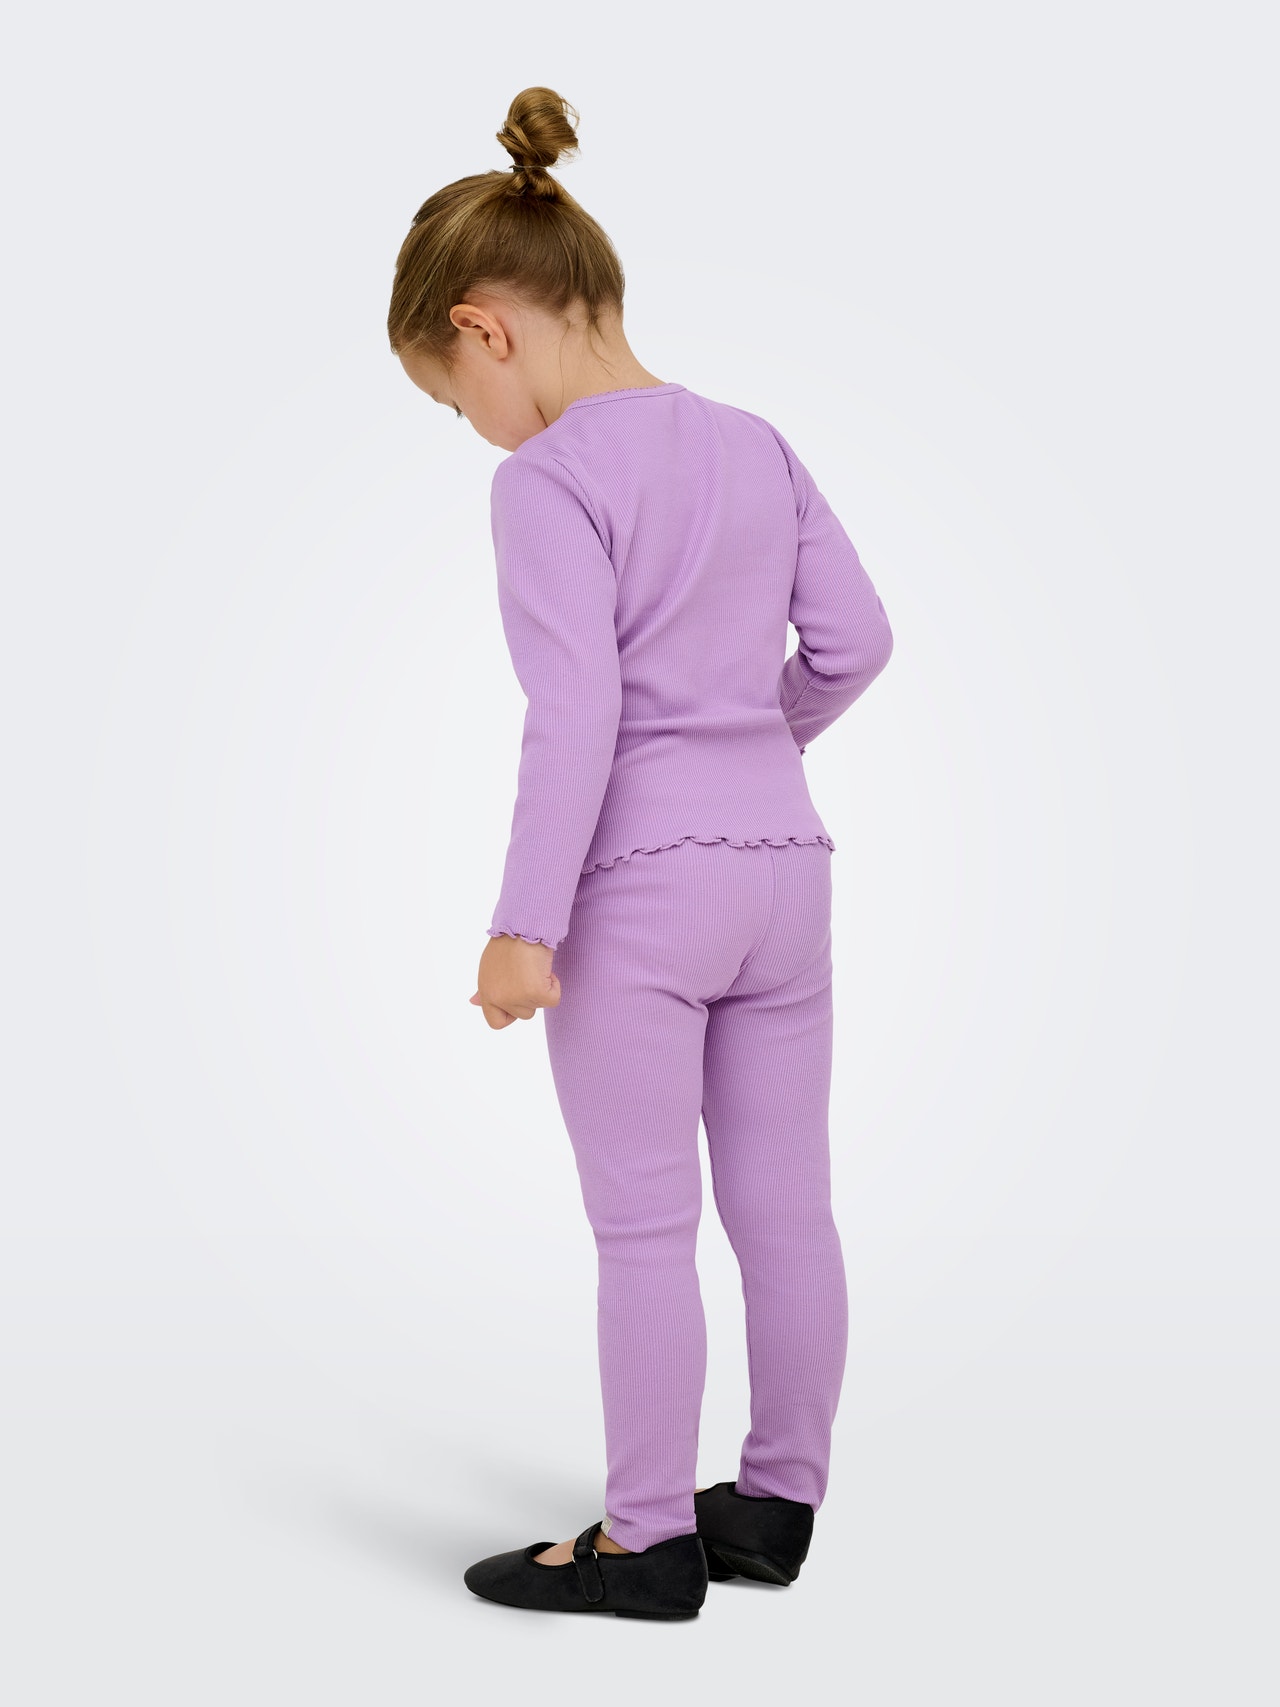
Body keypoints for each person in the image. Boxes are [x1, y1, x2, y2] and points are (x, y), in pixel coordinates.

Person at [387, 86, 894, 1621]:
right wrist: (748, 748)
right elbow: (859, 642)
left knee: (644, 1227)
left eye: (452, 399)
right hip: (786, 873)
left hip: (642, 896)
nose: (472, 430)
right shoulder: (756, 443)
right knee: (788, 1210)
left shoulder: (545, 481)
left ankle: (648, 1542)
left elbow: (579, 714)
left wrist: (522, 924)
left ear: (484, 330)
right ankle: (777, 1507)